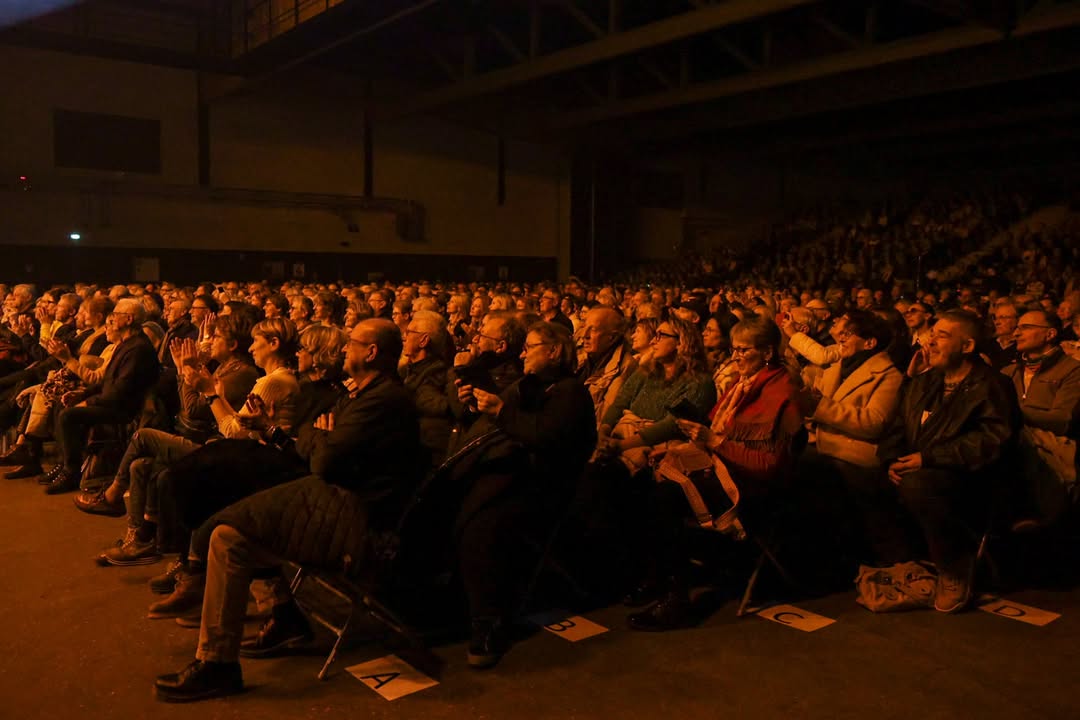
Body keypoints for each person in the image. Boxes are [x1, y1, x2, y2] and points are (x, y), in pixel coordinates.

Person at [153, 318, 421, 703]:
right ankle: (281, 614)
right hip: (336, 499)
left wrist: (313, 434)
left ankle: (218, 662)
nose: (346, 348)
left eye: (352, 343)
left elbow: (324, 460)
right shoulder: (363, 394)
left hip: (355, 520)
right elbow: (316, 450)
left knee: (229, 536)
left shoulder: (383, 401)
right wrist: (276, 429)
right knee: (239, 513)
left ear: (372, 352)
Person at [626, 316, 804, 631]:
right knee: (644, 478)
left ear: (767, 352)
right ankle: (659, 576)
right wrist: (692, 440)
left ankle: (676, 599)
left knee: (665, 497)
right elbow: (717, 432)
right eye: (734, 349)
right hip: (723, 468)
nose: (735, 357)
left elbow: (768, 465)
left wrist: (712, 441)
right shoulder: (742, 384)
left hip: (753, 485)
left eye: (743, 350)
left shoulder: (781, 392)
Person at [451, 321, 596, 667]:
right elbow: (506, 417)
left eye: (530, 347)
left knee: (483, 527)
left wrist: (500, 411)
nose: (523, 354)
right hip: (517, 476)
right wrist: (476, 404)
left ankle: (489, 621)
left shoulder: (571, 391)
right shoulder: (528, 385)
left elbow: (544, 436)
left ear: (554, 351)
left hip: (545, 487)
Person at [876, 310, 1019, 613]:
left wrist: (928, 458)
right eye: (931, 335)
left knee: (918, 484)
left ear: (967, 346)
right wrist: (891, 459)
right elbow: (897, 425)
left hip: (969, 477)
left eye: (941, 336)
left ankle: (954, 565)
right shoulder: (924, 381)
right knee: (854, 469)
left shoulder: (992, 385)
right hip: (921, 465)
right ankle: (902, 558)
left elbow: (991, 440)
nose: (930, 342)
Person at [44, 298, 161, 495]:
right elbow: (106, 380)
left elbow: (119, 392)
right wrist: (82, 394)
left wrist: (88, 402)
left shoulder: (138, 349)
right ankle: (64, 463)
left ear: (129, 319)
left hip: (125, 410)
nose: (111, 319)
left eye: (115, 315)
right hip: (113, 402)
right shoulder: (125, 344)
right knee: (62, 405)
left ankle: (71, 473)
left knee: (68, 416)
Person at [1001, 309, 1080, 524]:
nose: (1016, 333)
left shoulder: (1072, 370)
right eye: (1017, 328)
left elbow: (1063, 419)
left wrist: (1015, 412)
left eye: (1025, 327)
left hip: (1053, 442)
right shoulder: (1008, 372)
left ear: (1050, 334)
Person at [577, 307, 634, 427]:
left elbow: (603, 417)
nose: (584, 335)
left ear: (612, 337)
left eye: (593, 329)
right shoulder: (580, 359)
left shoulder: (625, 367)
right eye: (584, 327)